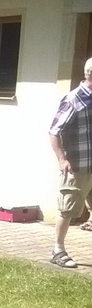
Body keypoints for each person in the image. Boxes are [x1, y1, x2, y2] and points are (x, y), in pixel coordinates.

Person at [49, 56, 92, 268]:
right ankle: (58, 250)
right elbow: (54, 131)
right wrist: (62, 159)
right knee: (67, 210)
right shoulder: (74, 99)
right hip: (78, 166)